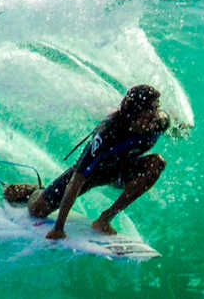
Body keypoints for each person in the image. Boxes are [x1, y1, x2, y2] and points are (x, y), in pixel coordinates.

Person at [24, 84, 171, 240]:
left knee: (157, 163)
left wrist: (181, 128)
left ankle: (105, 219)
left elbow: (171, 123)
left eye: (153, 115)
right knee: (37, 211)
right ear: (132, 115)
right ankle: (34, 190)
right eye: (145, 118)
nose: (150, 123)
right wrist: (58, 228)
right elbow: (76, 181)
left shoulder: (160, 122)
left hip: (121, 170)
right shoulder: (109, 134)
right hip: (92, 173)